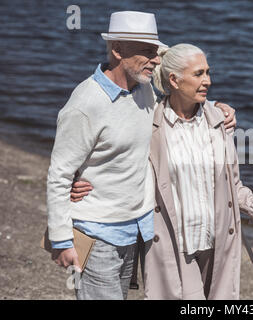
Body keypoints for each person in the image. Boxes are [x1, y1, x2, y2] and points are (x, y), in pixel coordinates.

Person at [72, 43, 253, 300]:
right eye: (198, 74)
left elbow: (232, 187)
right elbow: (113, 157)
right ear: (174, 80)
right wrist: (80, 178)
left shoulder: (219, 122)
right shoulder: (148, 121)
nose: (208, 81)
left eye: (208, 72)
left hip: (218, 243)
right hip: (174, 244)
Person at [46, 11, 235, 300]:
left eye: (156, 52)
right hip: (96, 234)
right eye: (147, 52)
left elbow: (179, 100)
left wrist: (217, 107)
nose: (156, 60)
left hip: (136, 231)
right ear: (118, 50)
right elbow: (59, 173)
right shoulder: (86, 104)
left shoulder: (144, 91)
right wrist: (61, 240)